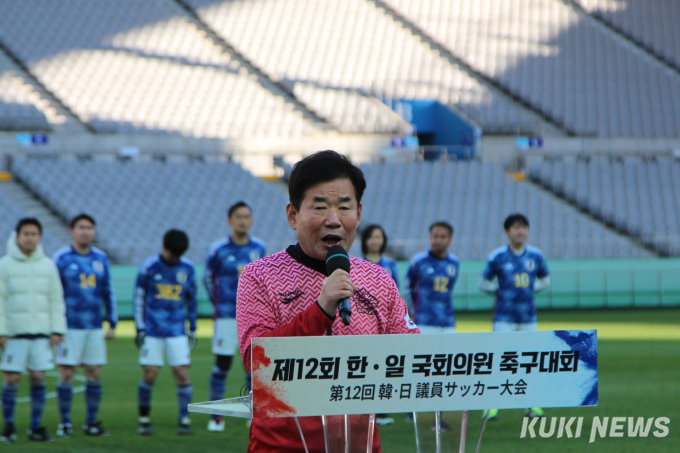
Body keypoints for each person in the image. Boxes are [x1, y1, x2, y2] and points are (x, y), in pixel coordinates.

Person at [236, 150, 419, 453]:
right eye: (319, 207)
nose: (333, 220)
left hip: (358, 445)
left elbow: (411, 355)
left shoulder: (379, 279)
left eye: (344, 207)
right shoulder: (259, 275)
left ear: (358, 213)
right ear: (293, 215)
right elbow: (257, 362)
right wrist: (321, 310)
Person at [478, 213, 551, 421]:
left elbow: (546, 280)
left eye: (524, 227)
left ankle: (532, 407)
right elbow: (483, 283)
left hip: (529, 317)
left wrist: (530, 289)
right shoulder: (498, 256)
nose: (520, 231)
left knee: (530, 363)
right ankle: (491, 407)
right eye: (516, 227)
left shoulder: (536, 255)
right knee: (499, 361)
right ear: (507, 231)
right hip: (504, 318)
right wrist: (499, 291)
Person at [0, 218, 66, 443]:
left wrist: (57, 328)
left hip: (40, 332)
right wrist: (2, 330)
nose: (30, 237)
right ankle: (8, 426)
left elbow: (56, 299)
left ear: (40, 237)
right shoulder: (4, 265)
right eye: (26, 233)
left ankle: (35, 426)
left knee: (38, 377)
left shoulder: (47, 265)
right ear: (17, 236)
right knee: (11, 379)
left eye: (34, 233)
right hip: (14, 333)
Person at [52, 213, 117, 437]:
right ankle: (65, 423)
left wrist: (112, 321)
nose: (86, 231)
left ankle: (91, 422)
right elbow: (53, 295)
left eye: (90, 227)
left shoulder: (101, 258)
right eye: (81, 227)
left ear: (94, 231)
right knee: (67, 372)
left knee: (93, 372)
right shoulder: (61, 258)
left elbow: (108, 291)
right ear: (72, 231)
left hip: (93, 326)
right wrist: (55, 326)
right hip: (69, 326)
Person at [204, 201, 265, 432]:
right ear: (230, 221)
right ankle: (216, 416)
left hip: (252, 318)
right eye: (238, 216)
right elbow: (208, 280)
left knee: (254, 366)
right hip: (227, 316)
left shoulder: (259, 247)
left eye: (247, 216)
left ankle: (254, 414)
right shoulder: (218, 249)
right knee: (222, 364)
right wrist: (219, 305)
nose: (243, 220)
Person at [133, 230, 197, 436]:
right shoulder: (149, 267)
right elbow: (139, 298)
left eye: (178, 255)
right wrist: (140, 328)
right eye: (172, 255)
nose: (174, 259)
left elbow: (192, 300)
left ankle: (184, 419)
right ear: (164, 247)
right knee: (149, 374)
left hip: (177, 331)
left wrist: (193, 328)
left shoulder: (187, 268)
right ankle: (144, 418)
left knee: (182, 374)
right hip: (152, 331)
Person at [405, 221, 460, 429]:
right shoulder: (418, 261)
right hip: (424, 323)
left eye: (443, 236)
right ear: (430, 238)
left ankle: (439, 416)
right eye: (435, 236)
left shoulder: (455, 262)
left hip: (447, 323)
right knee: (420, 367)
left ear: (450, 239)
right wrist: (413, 313)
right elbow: (409, 288)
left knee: (445, 369)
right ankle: (413, 408)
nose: (438, 240)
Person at [361, 224, 399, 426]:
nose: (375, 240)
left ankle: (382, 411)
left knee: (384, 365)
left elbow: (398, 294)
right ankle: (366, 411)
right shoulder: (356, 264)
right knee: (365, 365)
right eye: (372, 237)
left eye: (379, 237)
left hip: (386, 322)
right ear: (365, 240)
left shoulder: (390, 265)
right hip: (364, 322)